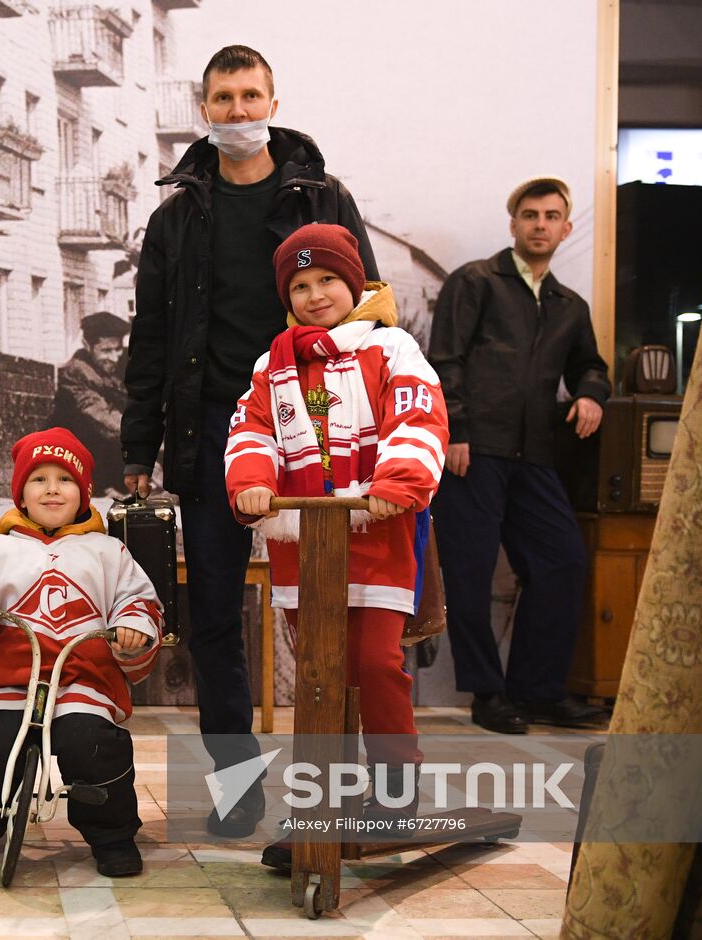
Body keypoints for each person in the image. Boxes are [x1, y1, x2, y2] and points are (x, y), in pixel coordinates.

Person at [121, 44, 379, 837]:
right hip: (208, 442)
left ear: (274, 99)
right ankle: (238, 788)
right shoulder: (175, 217)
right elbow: (152, 338)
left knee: (331, 614)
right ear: (204, 109)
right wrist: (139, 449)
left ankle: (345, 791)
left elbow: (367, 313)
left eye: (250, 95)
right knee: (215, 624)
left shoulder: (322, 198)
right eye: (223, 99)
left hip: (312, 442)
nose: (238, 111)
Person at [224, 224, 448, 869]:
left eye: (327, 280)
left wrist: (396, 484)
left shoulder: (391, 348)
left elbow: (419, 415)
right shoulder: (275, 364)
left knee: (373, 664)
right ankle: (318, 809)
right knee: (320, 678)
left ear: (354, 283)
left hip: (376, 535)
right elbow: (251, 430)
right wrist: (252, 484)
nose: (316, 294)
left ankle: (395, 790)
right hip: (304, 544)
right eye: (300, 285)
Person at [0, 428, 163, 877]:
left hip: (83, 680)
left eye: (65, 479)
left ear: (85, 493)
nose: (52, 488)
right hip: (12, 678)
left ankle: (112, 835)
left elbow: (139, 600)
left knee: (90, 743)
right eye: (39, 479)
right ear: (20, 496)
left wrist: (132, 626)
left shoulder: (110, 551)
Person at [427, 177, 611, 734]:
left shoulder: (569, 305)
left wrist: (590, 394)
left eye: (551, 216)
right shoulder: (474, 282)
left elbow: (592, 367)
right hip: (473, 451)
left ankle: (537, 690)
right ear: (514, 224)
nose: (540, 224)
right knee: (471, 573)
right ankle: (488, 693)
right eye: (530, 215)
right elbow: (446, 360)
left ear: (566, 228)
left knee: (563, 562)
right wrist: (454, 429)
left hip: (535, 454)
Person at [53, 312, 131, 497]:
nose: (114, 357)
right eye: (106, 351)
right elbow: (104, 419)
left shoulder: (115, 367)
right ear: (87, 346)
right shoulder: (75, 374)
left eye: (118, 349)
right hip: (75, 465)